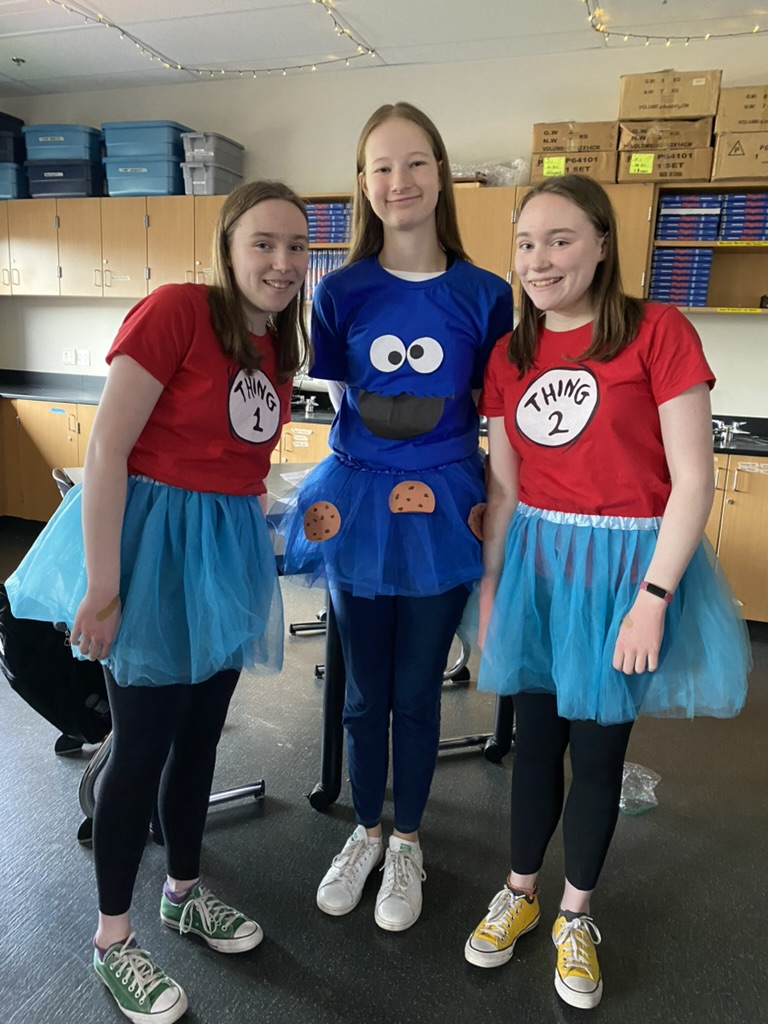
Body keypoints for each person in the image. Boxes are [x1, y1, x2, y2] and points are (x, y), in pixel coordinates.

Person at [5, 180, 311, 1023]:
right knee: (138, 750)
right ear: (229, 246)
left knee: (200, 739)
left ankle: (183, 892)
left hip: (223, 556)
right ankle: (112, 940)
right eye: (264, 243)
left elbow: (237, 465)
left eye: (296, 247)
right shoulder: (176, 310)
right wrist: (104, 588)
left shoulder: (276, 346)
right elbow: (107, 450)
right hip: (148, 551)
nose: (282, 263)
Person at [464, 175, 750, 1008]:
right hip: (541, 573)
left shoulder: (658, 333)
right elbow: (507, 487)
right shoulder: (510, 355)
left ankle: (575, 916)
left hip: (629, 571)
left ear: (600, 243)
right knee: (532, 747)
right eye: (525, 243)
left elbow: (693, 480)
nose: (539, 259)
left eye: (559, 239)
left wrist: (654, 598)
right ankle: (518, 895)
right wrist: (492, 589)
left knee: (597, 755)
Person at [281, 101, 512, 931]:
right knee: (360, 693)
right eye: (381, 166)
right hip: (356, 505)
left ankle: (407, 841)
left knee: (417, 691)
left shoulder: (487, 295)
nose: (398, 181)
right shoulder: (339, 289)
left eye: (415, 163)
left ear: (441, 174)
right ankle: (365, 831)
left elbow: (496, 412)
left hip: (446, 502)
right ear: (363, 184)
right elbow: (347, 401)